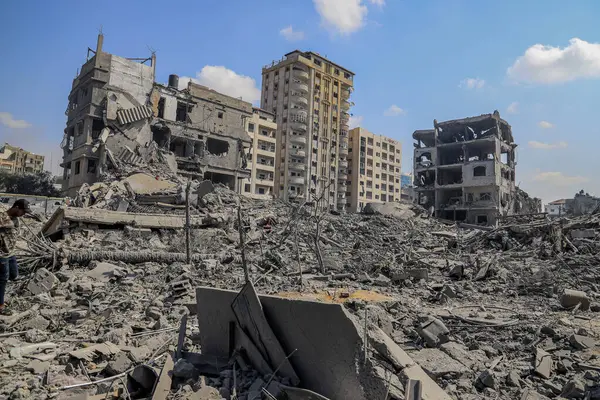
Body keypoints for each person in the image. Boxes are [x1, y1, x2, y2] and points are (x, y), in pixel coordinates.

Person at [0, 199, 31, 316]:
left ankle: (2, 297)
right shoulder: (2, 217)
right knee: (2, 279)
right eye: (23, 211)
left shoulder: (16, 220)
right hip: (1, 253)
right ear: (17, 207)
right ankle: (0, 306)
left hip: (11, 252)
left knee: (14, 275)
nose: (24, 214)